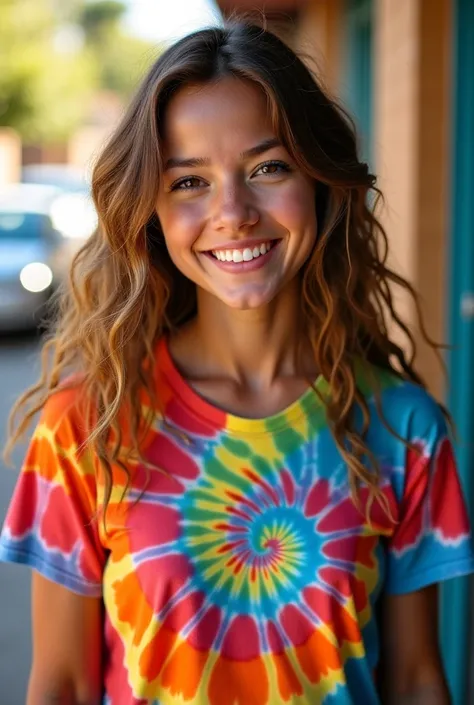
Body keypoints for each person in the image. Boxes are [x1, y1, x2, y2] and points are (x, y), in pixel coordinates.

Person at [1, 19, 473, 705]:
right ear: (149, 211)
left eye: (268, 168)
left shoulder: (402, 428)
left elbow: (416, 678)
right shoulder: (88, 423)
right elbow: (62, 682)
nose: (233, 211)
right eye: (189, 181)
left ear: (319, 181)